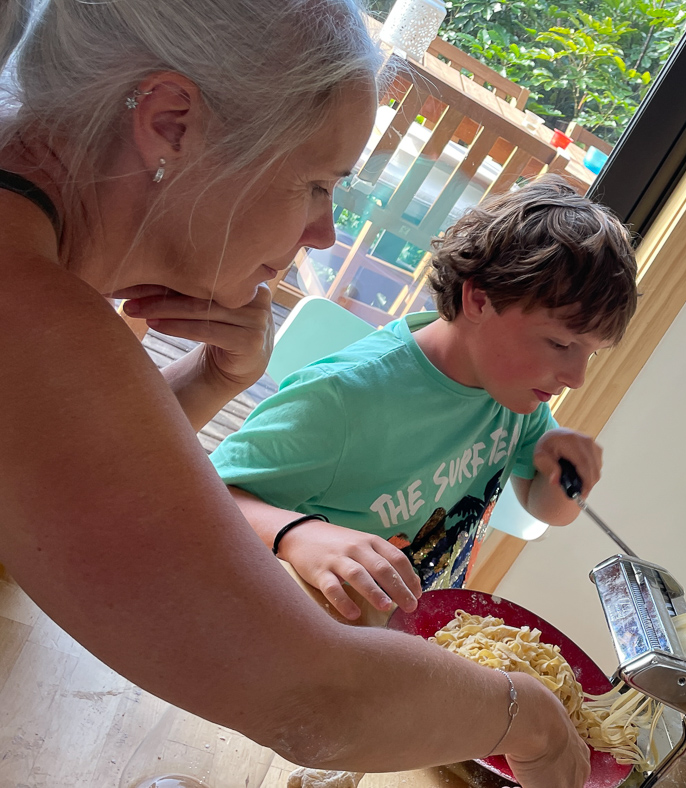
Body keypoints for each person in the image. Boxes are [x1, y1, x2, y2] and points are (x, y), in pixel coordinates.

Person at [0, 1, 588, 784]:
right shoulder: (29, 310)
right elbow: (312, 699)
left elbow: (61, 477)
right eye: (316, 184)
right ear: (171, 123)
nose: (324, 232)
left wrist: (216, 375)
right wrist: (533, 721)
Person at [210, 176, 638, 621]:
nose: (576, 378)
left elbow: (544, 508)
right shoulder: (346, 397)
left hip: (395, 631)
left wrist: (566, 480)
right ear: (479, 299)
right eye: (560, 344)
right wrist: (297, 535)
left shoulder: (511, 398)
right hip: (293, 625)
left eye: (590, 353)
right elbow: (207, 496)